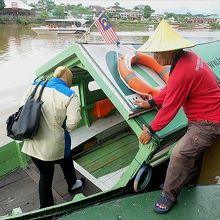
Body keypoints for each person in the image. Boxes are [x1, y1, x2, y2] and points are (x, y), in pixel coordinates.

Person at [135, 19, 220, 214]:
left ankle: (168, 195)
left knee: (179, 154)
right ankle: (188, 181)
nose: (154, 56)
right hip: (208, 116)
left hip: (208, 122)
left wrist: (151, 129)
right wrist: (151, 102)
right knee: (193, 154)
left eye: (157, 52)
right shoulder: (187, 58)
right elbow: (171, 89)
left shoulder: (183, 71)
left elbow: (170, 108)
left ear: (170, 51)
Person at [21, 66, 85, 208]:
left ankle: (47, 205)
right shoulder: (69, 95)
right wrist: (64, 129)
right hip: (53, 145)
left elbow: (23, 107)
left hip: (31, 140)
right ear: (67, 78)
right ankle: (70, 187)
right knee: (64, 158)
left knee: (46, 172)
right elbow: (73, 121)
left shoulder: (34, 85)